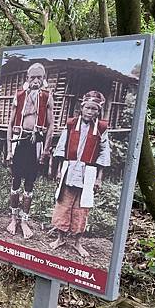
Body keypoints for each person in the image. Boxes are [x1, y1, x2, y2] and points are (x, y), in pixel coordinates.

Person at [49, 91, 111, 258]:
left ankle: (77, 242)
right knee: (63, 204)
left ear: (98, 111)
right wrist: (59, 169)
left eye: (94, 109)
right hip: (69, 169)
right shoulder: (71, 124)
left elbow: (104, 153)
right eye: (87, 108)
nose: (90, 112)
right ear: (81, 108)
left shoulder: (101, 128)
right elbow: (61, 147)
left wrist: (99, 178)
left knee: (81, 208)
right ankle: (60, 238)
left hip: (88, 173)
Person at [5, 62, 55, 239]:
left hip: (37, 144)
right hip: (19, 142)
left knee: (29, 184)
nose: (35, 81)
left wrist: (46, 151)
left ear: (43, 79)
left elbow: (51, 126)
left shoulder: (47, 97)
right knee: (15, 181)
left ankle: (24, 221)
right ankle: (13, 218)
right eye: (32, 77)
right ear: (27, 78)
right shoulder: (18, 96)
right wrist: (9, 150)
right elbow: (10, 125)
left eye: (39, 77)